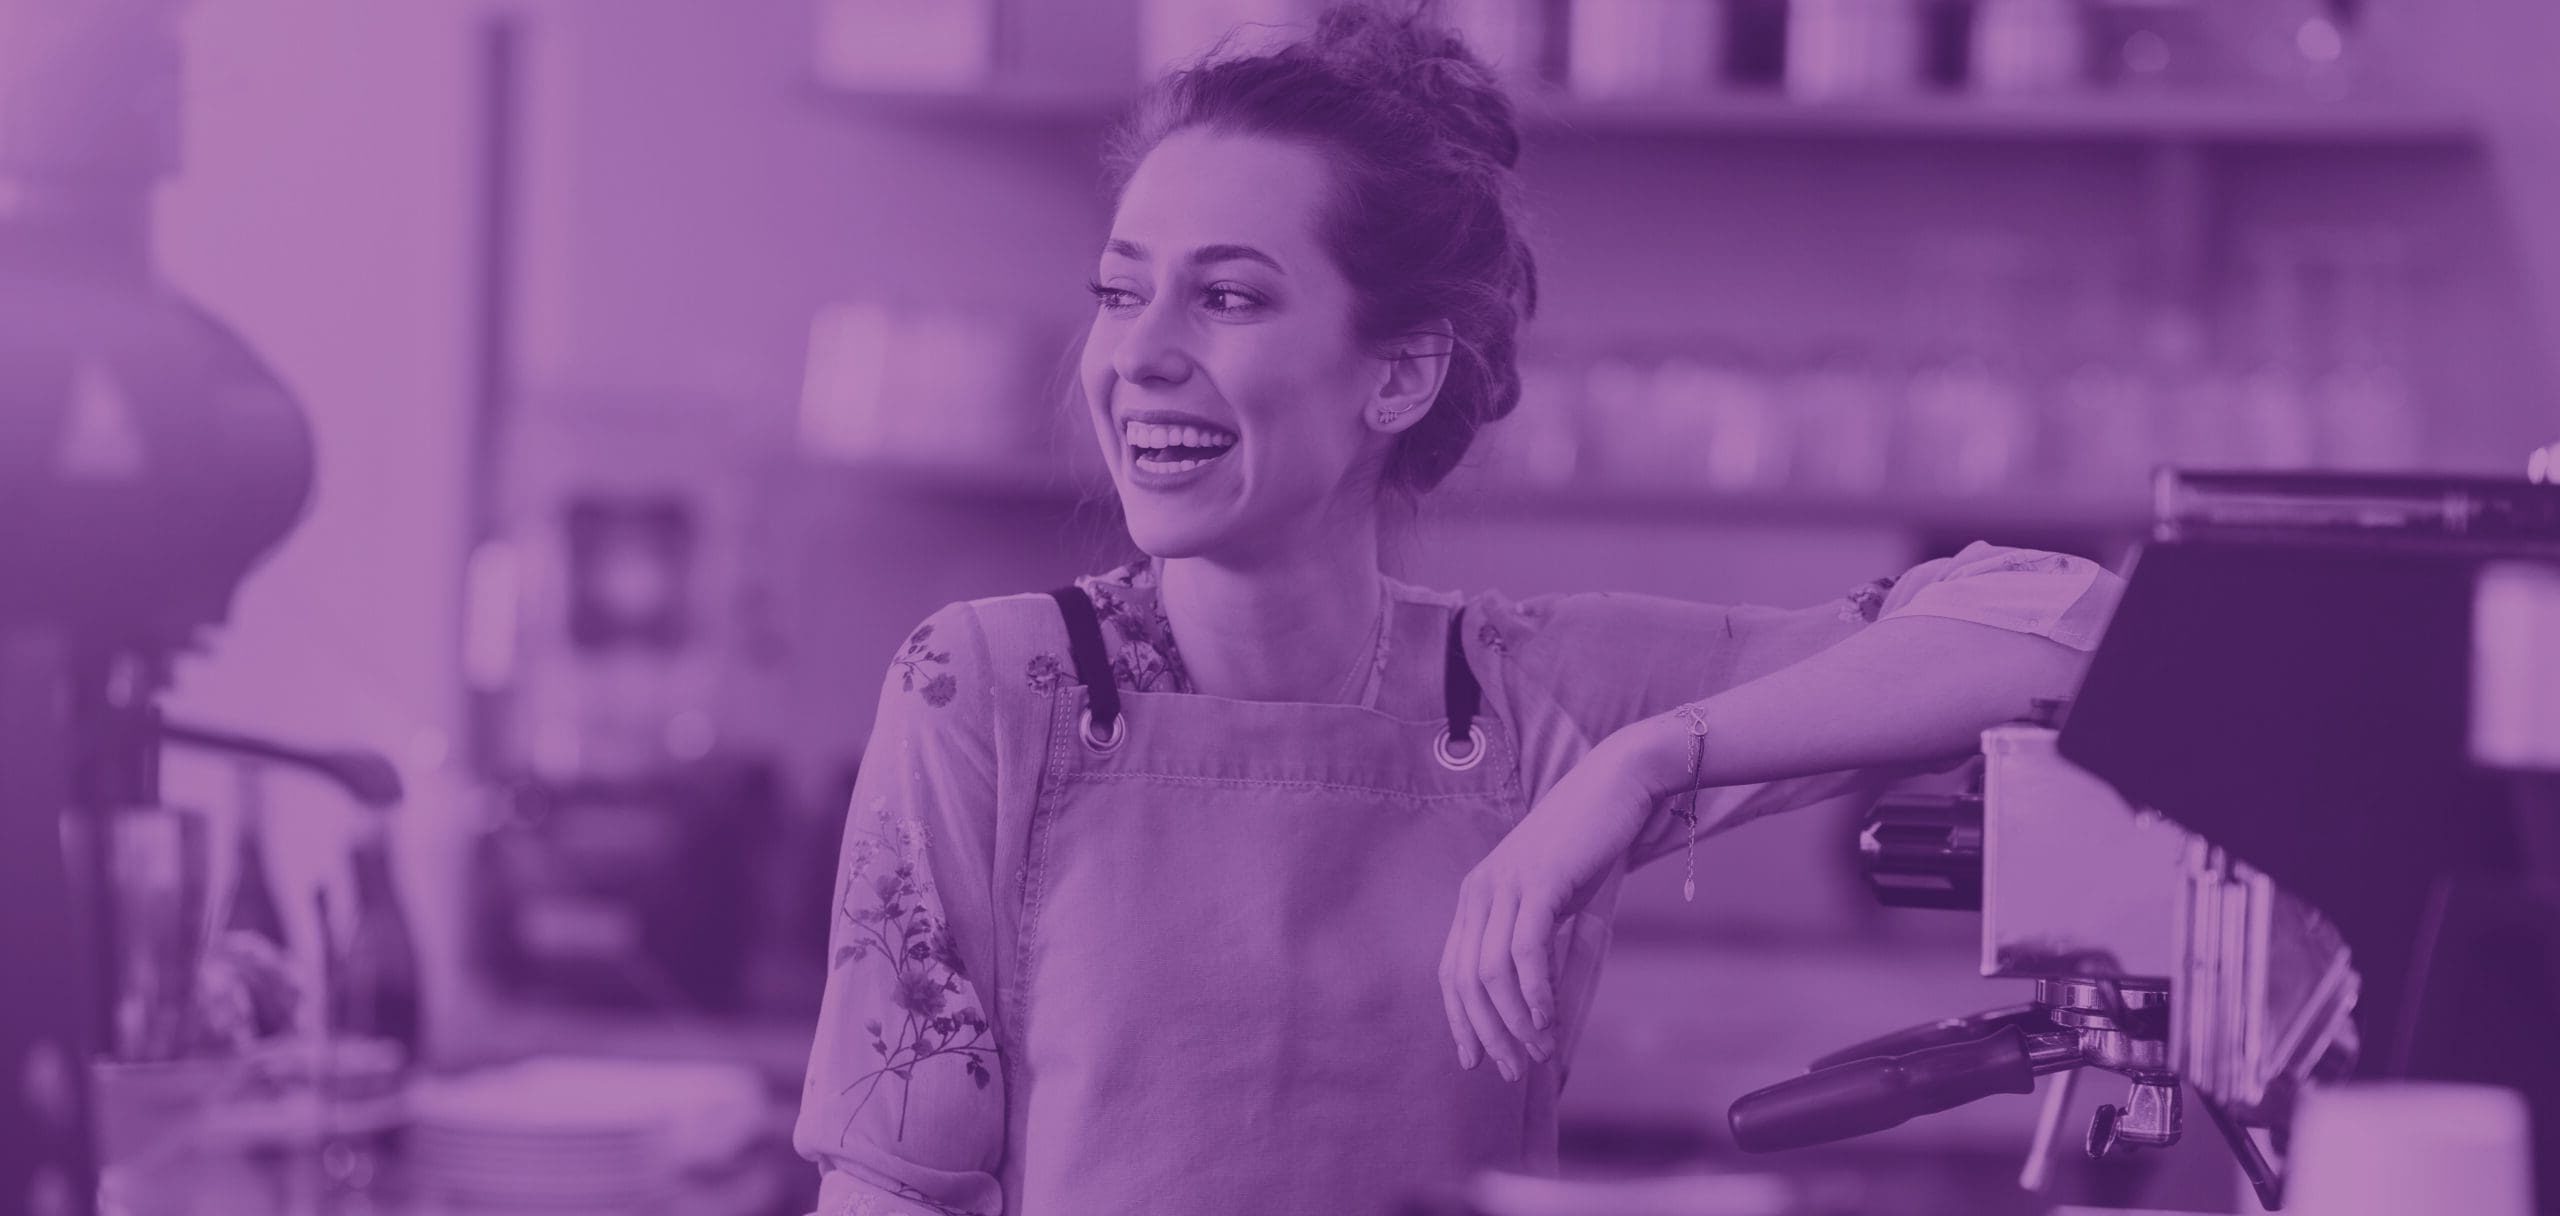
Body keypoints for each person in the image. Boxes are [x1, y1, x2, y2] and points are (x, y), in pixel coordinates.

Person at [791, 7, 2122, 1213]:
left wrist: (1639, 763)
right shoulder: (988, 689)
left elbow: (2068, 621)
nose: (1140, 355)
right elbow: (894, 1193)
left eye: (1230, 296)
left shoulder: (1536, 697)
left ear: (1399, 375)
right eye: (1122, 291)